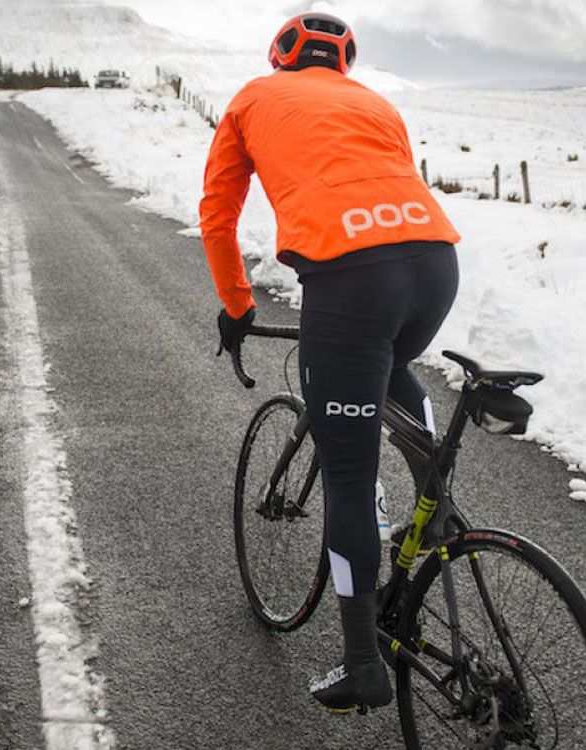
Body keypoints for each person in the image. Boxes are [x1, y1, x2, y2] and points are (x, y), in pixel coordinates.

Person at [199, 12, 461, 713]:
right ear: (342, 60)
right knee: (389, 362)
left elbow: (218, 214)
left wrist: (238, 305)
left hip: (350, 278)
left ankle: (360, 665)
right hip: (435, 264)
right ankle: (433, 499)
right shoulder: (375, 103)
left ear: (280, 57)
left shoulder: (254, 97)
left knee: (348, 480)